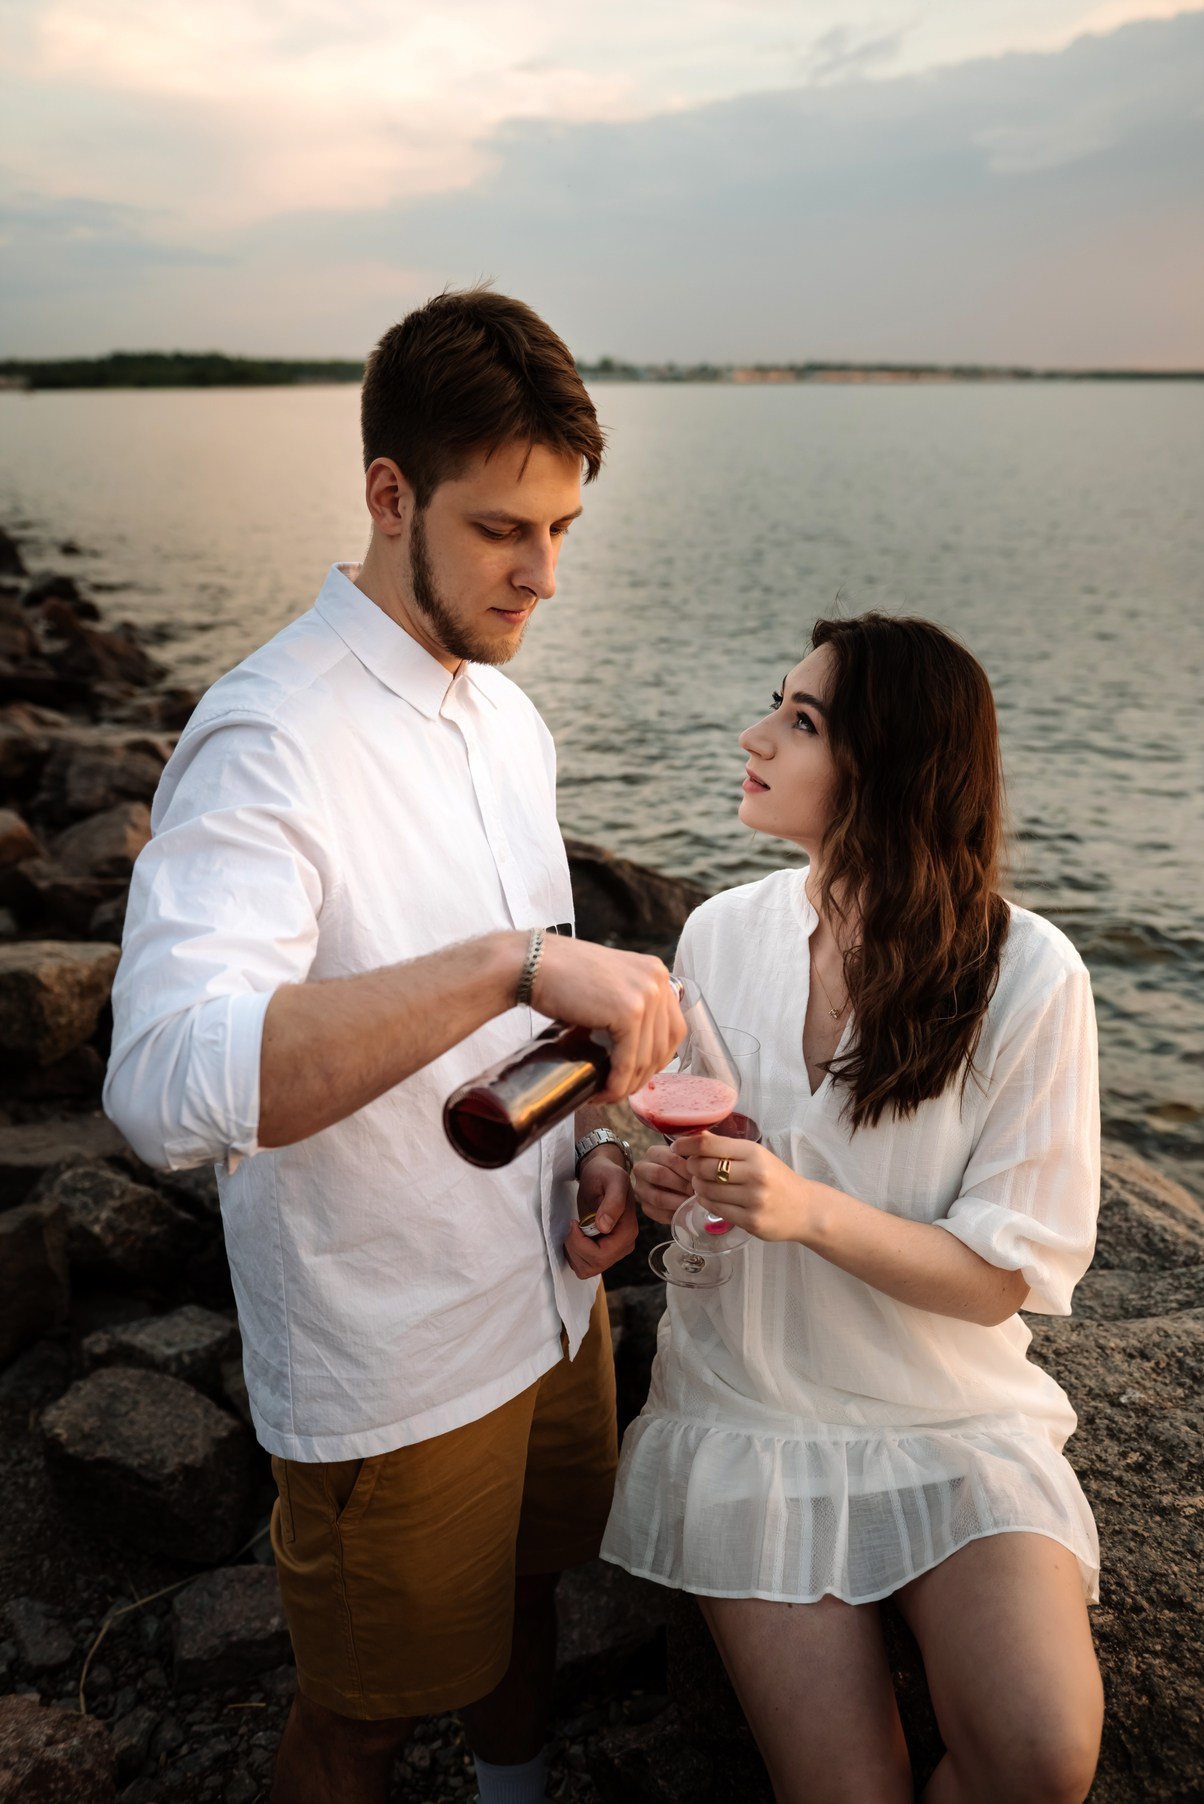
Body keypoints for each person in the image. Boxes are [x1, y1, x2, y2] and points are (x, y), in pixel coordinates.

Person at [103, 287, 684, 1804]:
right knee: (359, 1718)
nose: (543, 575)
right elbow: (166, 1084)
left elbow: (534, 1035)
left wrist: (603, 1148)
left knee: (532, 1595)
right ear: (387, 494)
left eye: (563, 529)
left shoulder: (503, 719)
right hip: (395, 1354)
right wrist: (509, 961)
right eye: (504, 529)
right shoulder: (267, 737)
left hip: (550, 1294)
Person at [602, 613, 1104, 1804]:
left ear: (888, 767)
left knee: (1041, 1758)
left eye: (801, 719)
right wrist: (661, 1177)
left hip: (947, 1417)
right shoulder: (720, 932)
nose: (755, 733)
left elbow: (998, 1278)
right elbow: (664, 1144)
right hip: (748, 1411)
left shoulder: (1026, 973)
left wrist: (804, 1208)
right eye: (775, 704)